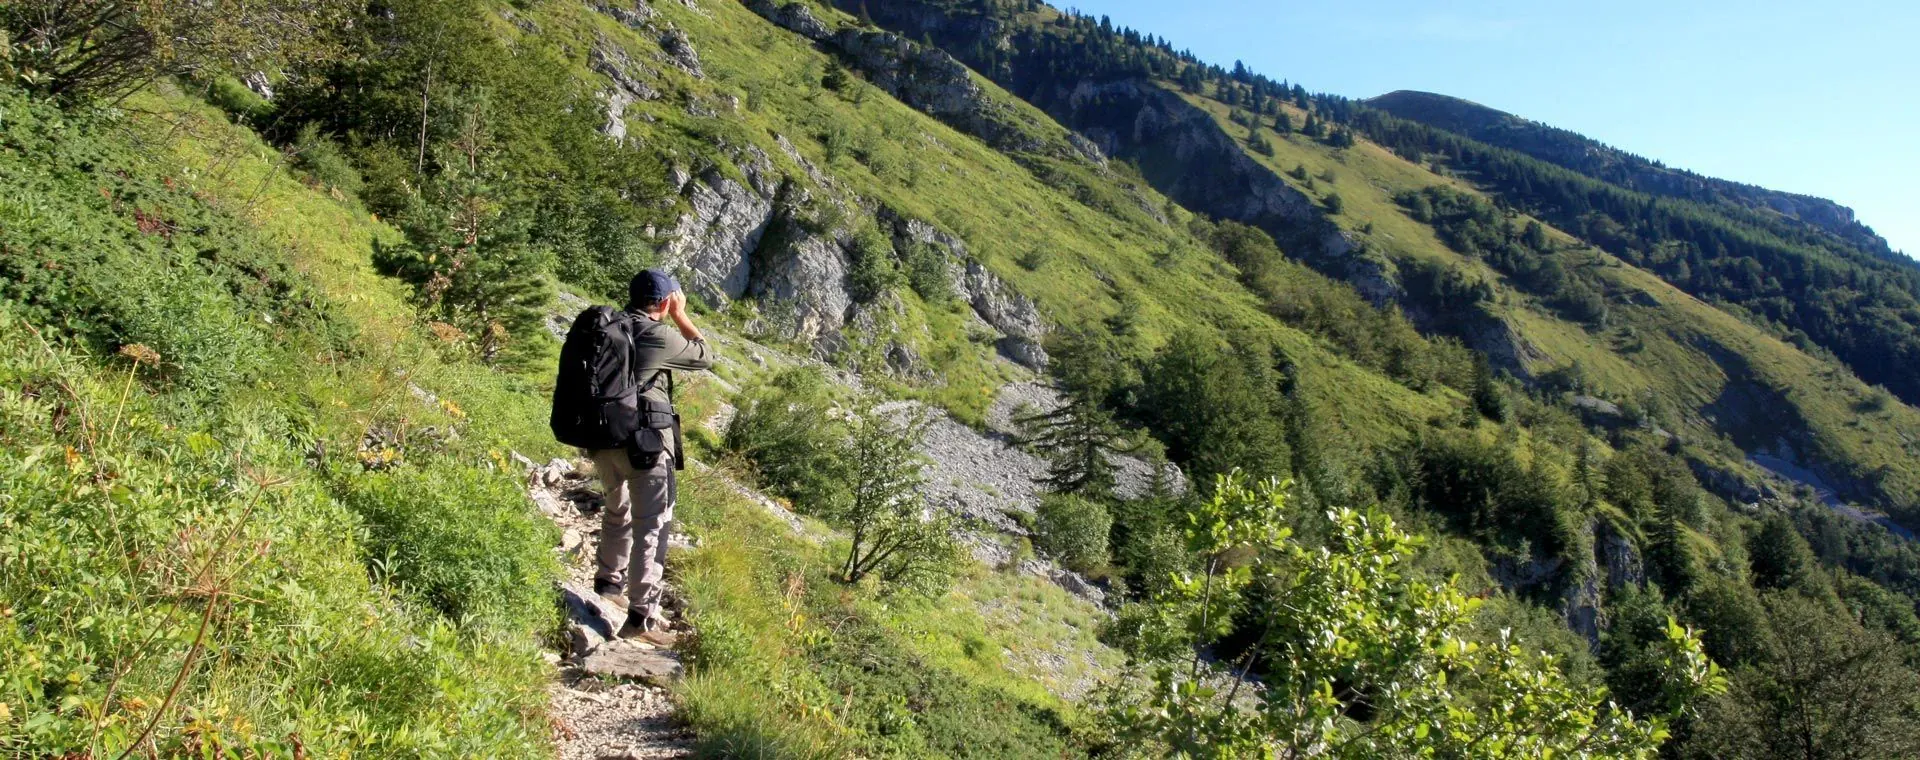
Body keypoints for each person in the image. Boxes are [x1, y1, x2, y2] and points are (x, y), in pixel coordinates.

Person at [591, 269, 713, 643]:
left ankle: (608, 584)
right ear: (663, 301)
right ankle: (641, 612)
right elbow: (705, 356)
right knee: (652, 524)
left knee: (617, 512)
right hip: (644, 443)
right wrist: (681, 315)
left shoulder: (607, 326)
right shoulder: (656, 333)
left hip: (603, 440)